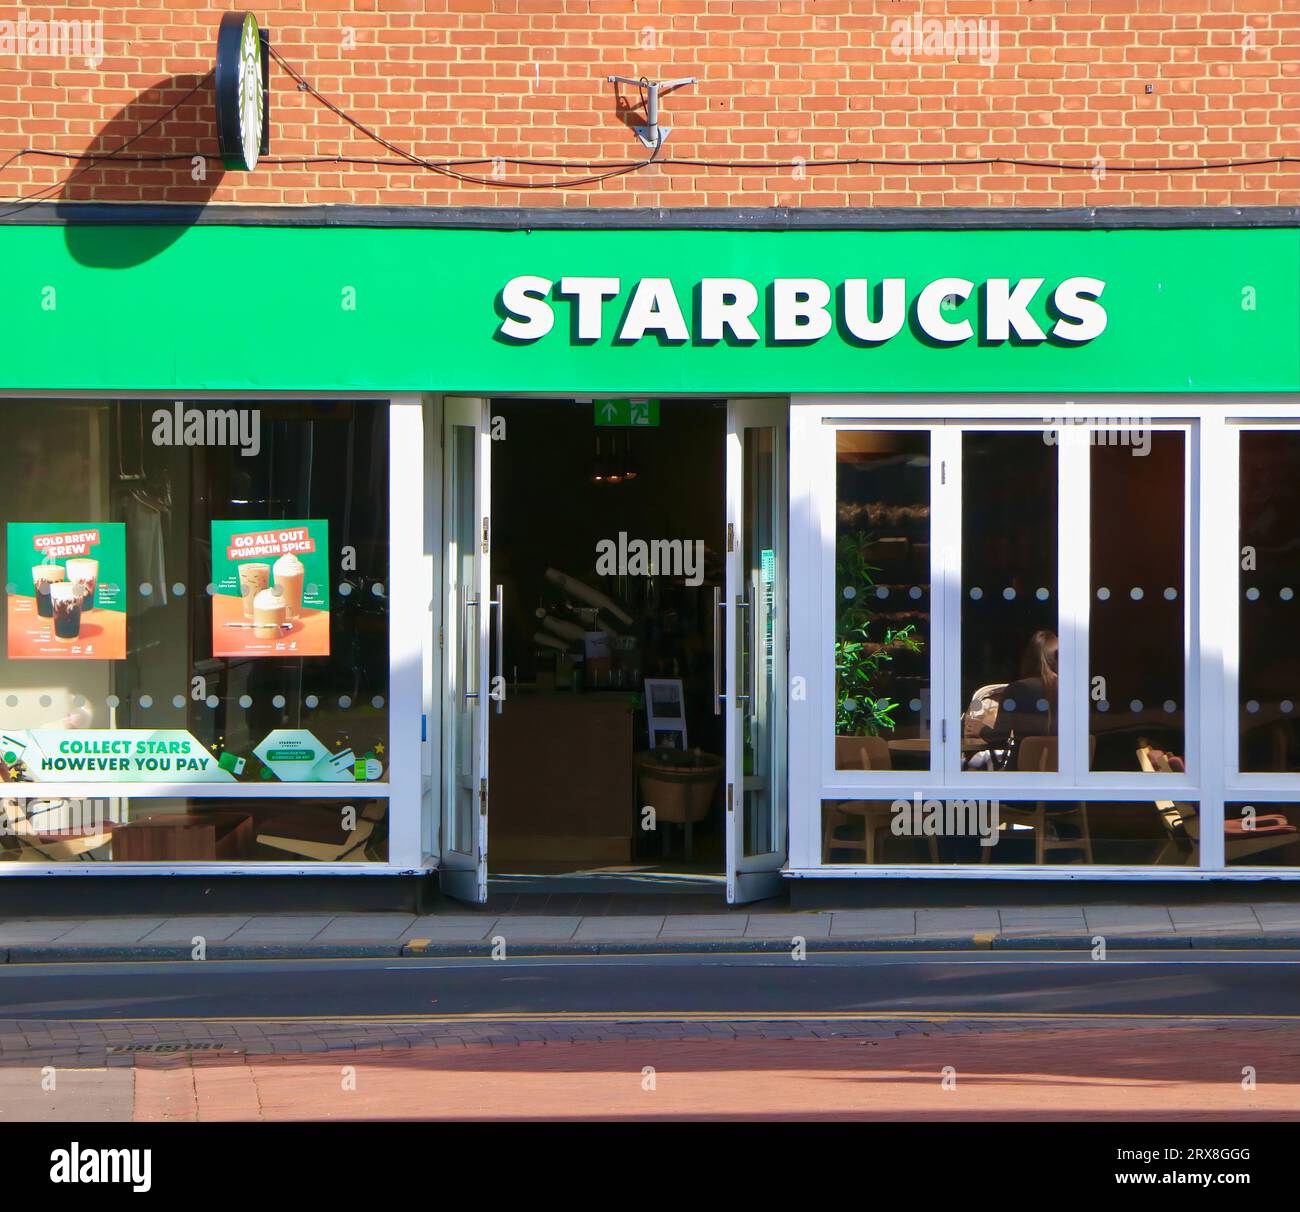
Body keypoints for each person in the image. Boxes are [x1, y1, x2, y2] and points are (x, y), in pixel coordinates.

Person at [975, 629, 1059, 768]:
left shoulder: (1018, 690)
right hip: (1063, 776)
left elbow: (999, 738)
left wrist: (979, 728)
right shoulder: (1072, 690)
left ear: (1028, 658)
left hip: (1020, 777)